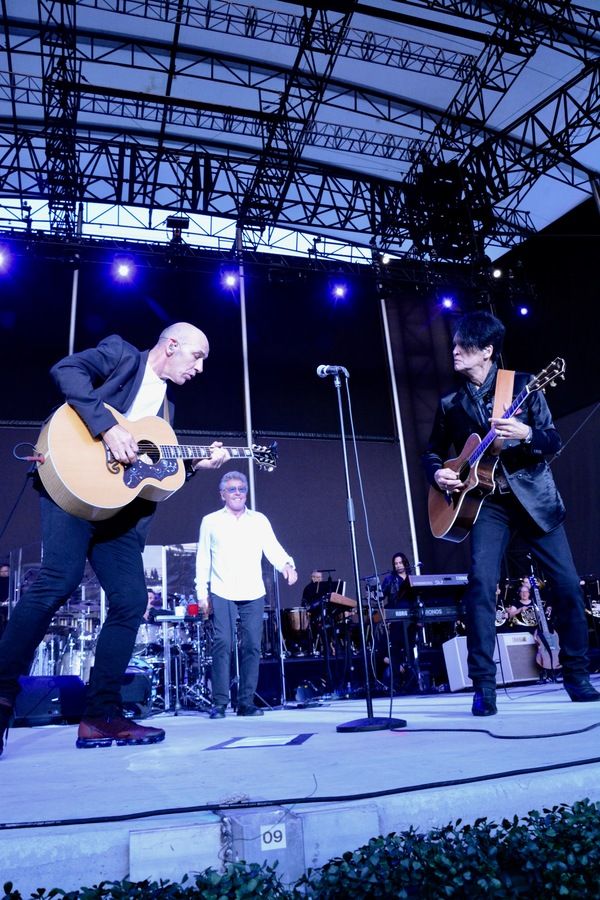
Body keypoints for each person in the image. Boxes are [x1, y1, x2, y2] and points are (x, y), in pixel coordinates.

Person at [0, 322, 229, 756]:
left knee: (130, 600)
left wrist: (195, 465)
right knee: (59, 579)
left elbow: (151, 473)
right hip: (72, 484)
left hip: (117, 510)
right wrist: (107, 426)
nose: (200, 368)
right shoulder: (122, 355)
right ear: (171, 345)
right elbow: (66, 370)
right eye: (197, 356)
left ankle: (100, 715)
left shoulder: (167, 411)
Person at [422, 310, 599, 716]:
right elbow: (431, 452)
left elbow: (552, 439)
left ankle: (576, 674)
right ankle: (484, 686)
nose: (454, 351)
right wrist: (438, 474)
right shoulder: (450, 404)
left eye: (463, 346)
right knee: (481, 587)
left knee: (567, 586)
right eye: (455, 345)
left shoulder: (523, 386)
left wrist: (527, 434)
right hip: (487, 504)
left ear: (486, 350)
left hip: (534, 498)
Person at [195, 470, 297, 718]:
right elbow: (203, 558)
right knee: (223, 643)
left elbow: (272, 547)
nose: (237, 493)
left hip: (252, 590)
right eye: (232, 489)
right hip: (222, 590)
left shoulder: (259, 520)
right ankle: (220, 702)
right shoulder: (210, 521)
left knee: (252, 645)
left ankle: (246, 702)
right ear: (222, 494)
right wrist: (201, 592)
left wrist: (286, 565)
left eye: (241, 489)